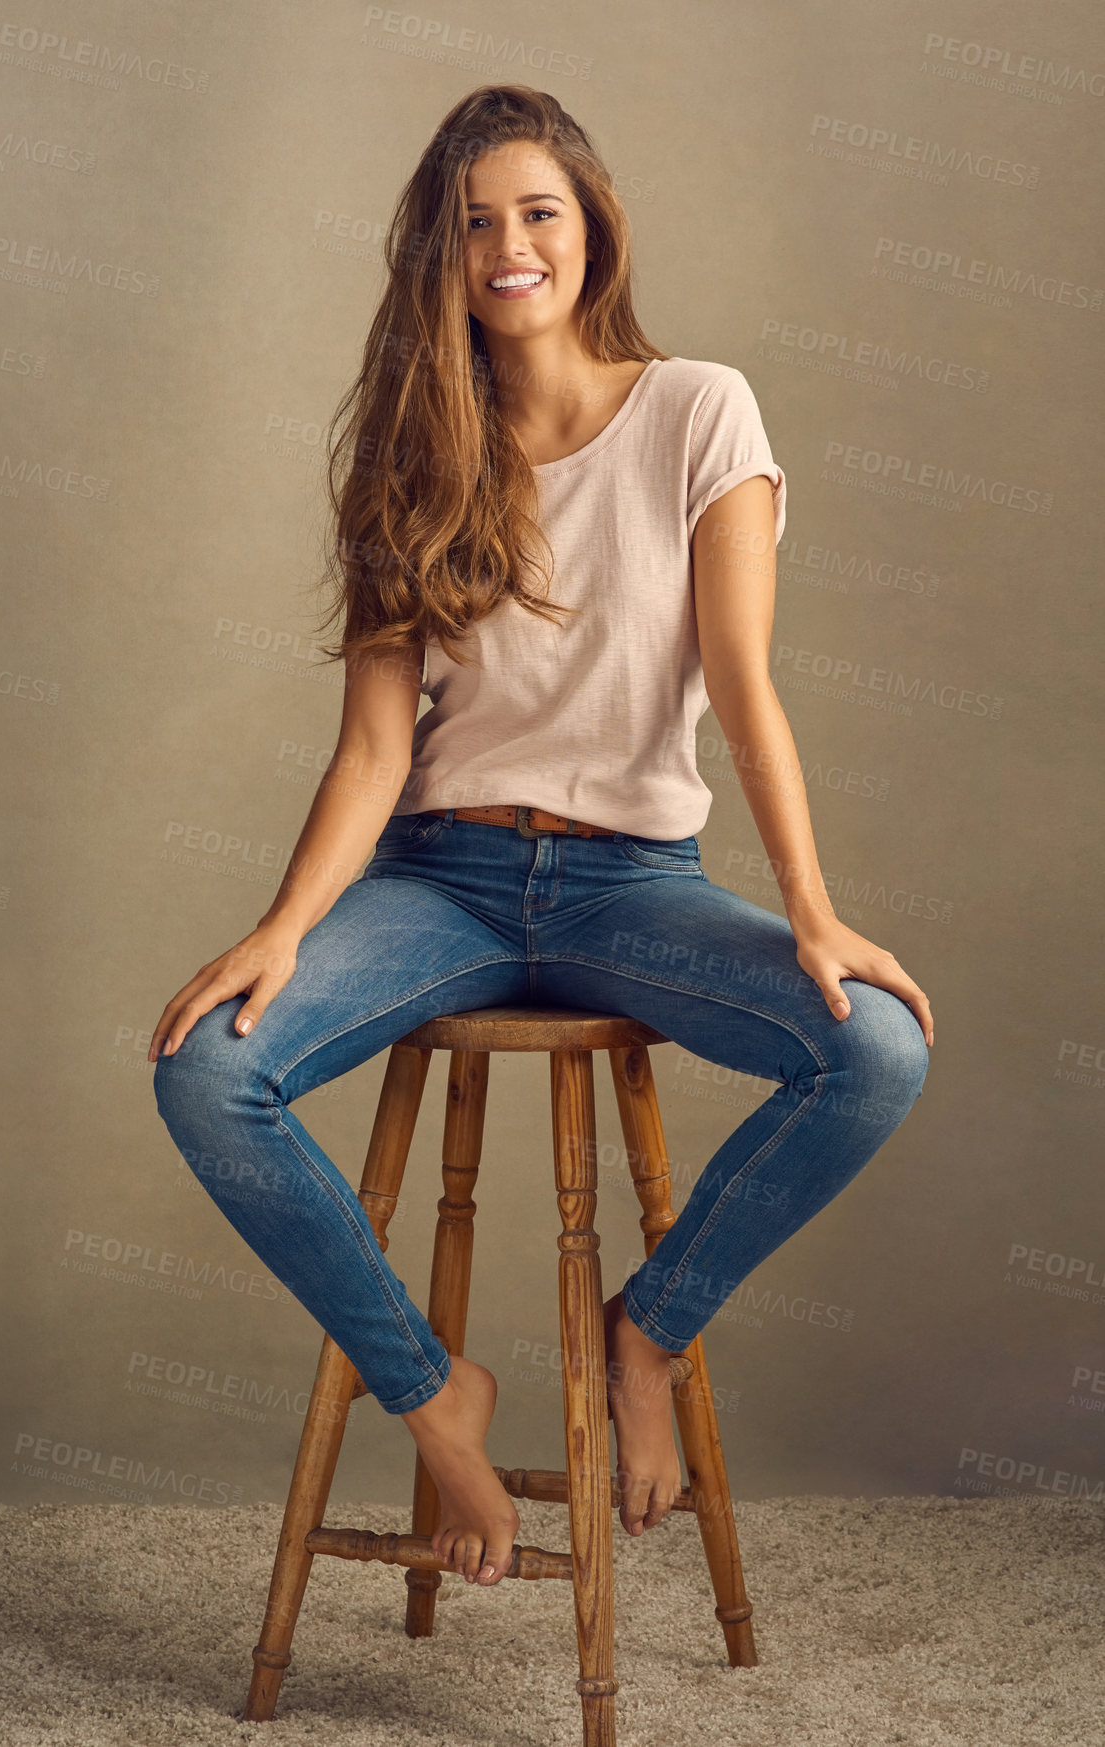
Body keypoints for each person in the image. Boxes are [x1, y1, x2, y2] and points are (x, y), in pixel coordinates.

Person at [151, 84, 933, 1594]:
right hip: (439, 884)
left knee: (880, 1050)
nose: (508, 247)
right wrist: (283, 928)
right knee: (206, 1067)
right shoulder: (408, 453)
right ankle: (436, 1393)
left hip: (631, 888)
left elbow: (746, 689)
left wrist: (817, 914)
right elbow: (375, 748)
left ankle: (647, 1329)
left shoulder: (705, 411)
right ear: (437, 260)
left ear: (592, 228)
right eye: (472, 224)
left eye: (537, 213)